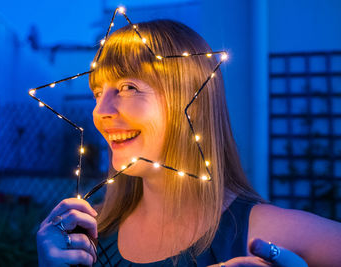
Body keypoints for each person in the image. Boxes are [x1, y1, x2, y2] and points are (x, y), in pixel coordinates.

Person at [36, 19, 341, 266]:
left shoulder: (267, 233)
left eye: (128, 87)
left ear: (190, 99)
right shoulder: (88, 231)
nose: (100, 112)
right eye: (98, 93)